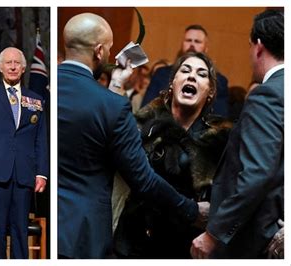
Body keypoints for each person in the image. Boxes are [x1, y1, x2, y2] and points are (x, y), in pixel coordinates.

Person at [58, 12, 208, 259]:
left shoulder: (44, 87)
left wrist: (116, 84)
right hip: (82, 237)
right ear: (98, 51)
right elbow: (143, 179)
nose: (108, 55)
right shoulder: (112, 106)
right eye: (107, 49)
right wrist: (192, 210)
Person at [113, 52, 231, 258]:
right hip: (133, 241)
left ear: (210, 91)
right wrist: (116, 83)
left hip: (184, 247)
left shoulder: (221, 138)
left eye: (201, 74)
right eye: (185, 71)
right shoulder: (144, 124)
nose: (192, 76)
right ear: (173, 82)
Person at [190, 9, 284, 259]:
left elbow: (256, 173)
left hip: (252, 241)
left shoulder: (269, 94)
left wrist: (214, 234)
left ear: (259, 46)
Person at [0, 47, 48, 259]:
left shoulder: (37, 100)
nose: (13, 66)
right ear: (0, 67)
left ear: (24, 68)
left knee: (20, 230)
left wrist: (42, 172)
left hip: (24, 174)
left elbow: (41, 139)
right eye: (8, 62)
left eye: (17, 63)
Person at [141, 24, 230, 118]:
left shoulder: (219, 80)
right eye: (188, 40)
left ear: (206, 48)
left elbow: (219, 118)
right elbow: (146, 110)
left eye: (197, 41)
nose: (192, 44)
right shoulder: (161, 73)